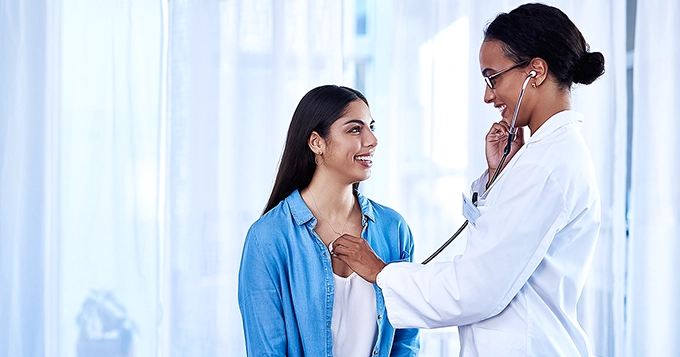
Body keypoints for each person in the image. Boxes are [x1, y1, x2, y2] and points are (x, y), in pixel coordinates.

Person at [332, 3, 605, 356]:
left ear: (535, 71)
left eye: (493, 78)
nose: (488, 95)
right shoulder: (542, 158)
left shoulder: (547, 165)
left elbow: (478, 287)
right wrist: (496, 178)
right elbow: (499, 249)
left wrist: (382, 273)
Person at [237, 85, 420, 357]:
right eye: (355, 129)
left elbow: (405, 340)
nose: (372, 140)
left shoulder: (393, 229)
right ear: (316, 142)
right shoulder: (268, 238)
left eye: (371, 127)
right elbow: (266, 351)